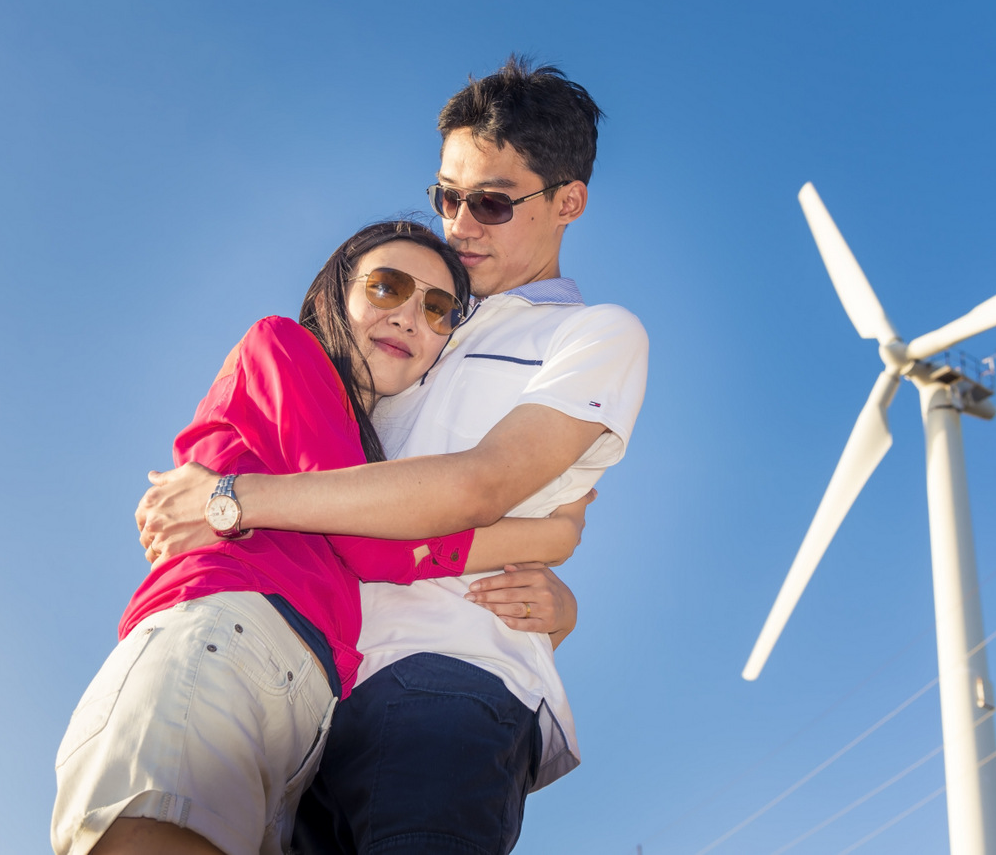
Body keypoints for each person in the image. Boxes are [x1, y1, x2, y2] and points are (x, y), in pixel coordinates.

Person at [137, 56, 649, 854]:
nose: (459, 225)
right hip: (308, 685)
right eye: (446, 196)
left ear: (568, 201)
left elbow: (479, 485)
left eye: (490, 202)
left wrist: (234, 501)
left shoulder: (594, 336)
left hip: (446, 678)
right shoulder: (411, 327)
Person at [53, 221, 592, 855]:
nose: (411, 317)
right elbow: (375, 548)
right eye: (387, 287)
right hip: (222, 633)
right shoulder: (285, 346)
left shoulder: (376, 445)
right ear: (334, 296)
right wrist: (548, 538)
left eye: (439, 307)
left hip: (309, 705)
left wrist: (561, 607)